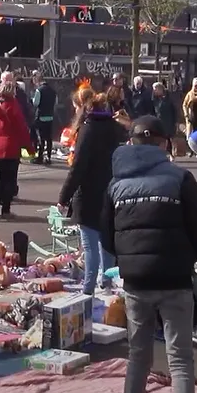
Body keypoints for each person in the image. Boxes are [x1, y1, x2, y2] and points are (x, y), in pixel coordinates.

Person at [102, 115, 197, 393]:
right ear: (164, 143)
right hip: (176, 279)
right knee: (180, 359)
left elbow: (107, 237)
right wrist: (185, 256)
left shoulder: (115, 184)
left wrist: (130, 259)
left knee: (138, 356)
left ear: (131, 143)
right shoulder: (180, 179)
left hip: (136, 281)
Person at [58, 87, 122, 295]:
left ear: (81, 107)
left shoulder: (88, 129)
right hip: (112, 191)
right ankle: (108, 285)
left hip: (89, 194)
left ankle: (88, 290)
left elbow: (78, 167)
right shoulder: (114, 127)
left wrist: (64, 197)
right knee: (107, 243)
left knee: (90, 246)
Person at [0, 82, 34, 218]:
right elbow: (22, 129)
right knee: (10, 179)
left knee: (2, 176)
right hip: (11, 146)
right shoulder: (14, 106)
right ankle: (5, 210)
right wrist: (29, 148)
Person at [30, 70, 57, 165]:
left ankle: (40, 157)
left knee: (40, 137)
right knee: (49, 138)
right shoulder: (53, 91)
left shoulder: (39, 90)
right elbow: (55, 103)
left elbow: (36, 103)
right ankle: (48, 157)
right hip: (50, 117)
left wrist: (32, 99)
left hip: (41, 116)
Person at [152, 82, 178, 159]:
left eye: (155, 89)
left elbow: (174, 110)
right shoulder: (155, 98)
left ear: (160, 89)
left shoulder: (168, 98)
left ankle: (171, 154)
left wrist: (176, 121)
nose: (153, 91)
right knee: (160, 138)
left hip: (168, 121)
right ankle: (162, 154)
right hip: (159, 121)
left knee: (168, 138)